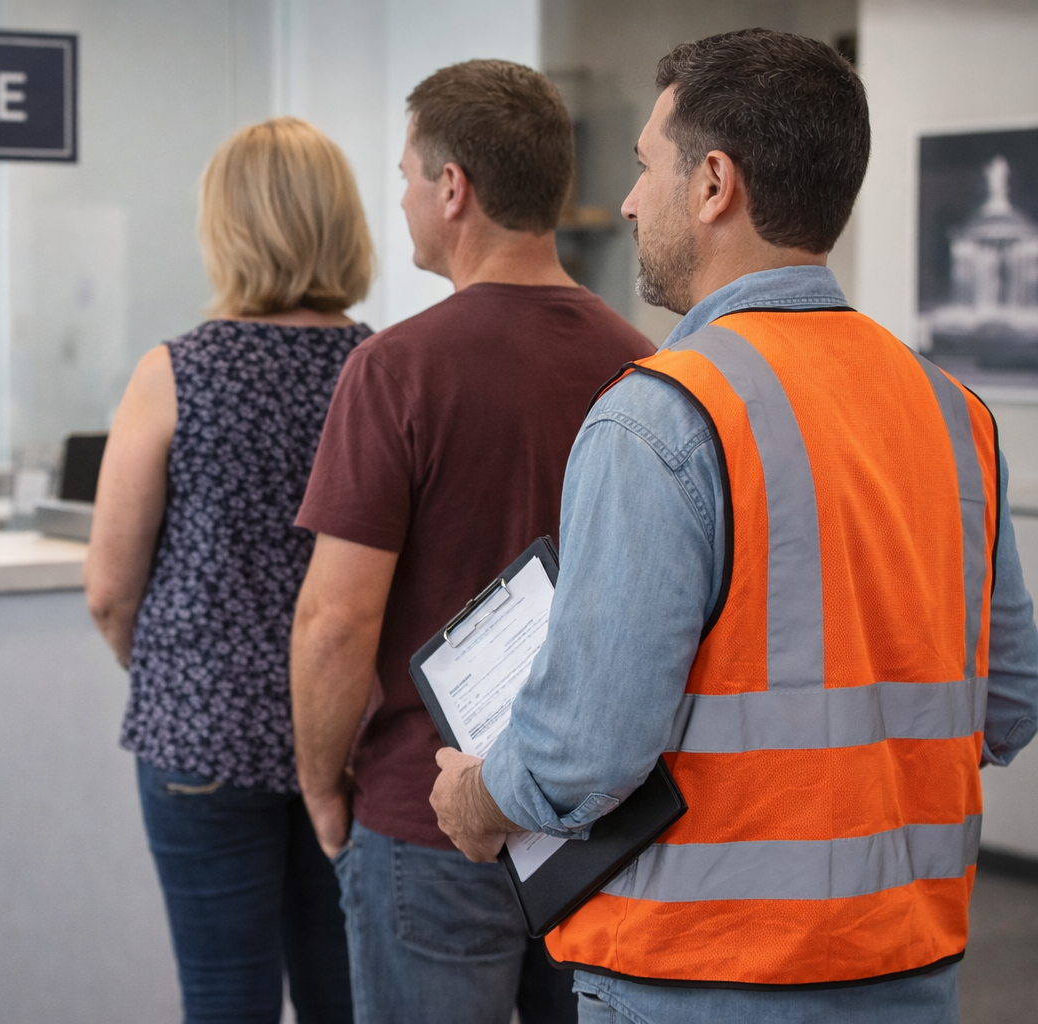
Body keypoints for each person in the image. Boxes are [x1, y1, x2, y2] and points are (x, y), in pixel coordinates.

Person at [430, 29, 1038, 1024]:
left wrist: (479, 796)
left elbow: (586, 747)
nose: (627, 202)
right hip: (908, 972)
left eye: (642, 168)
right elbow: (1006, 700)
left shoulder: (665, 415)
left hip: (698, 979)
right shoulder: (950, 411)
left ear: (713, 184)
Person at [290, 61, 651, 1024]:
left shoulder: (394, 372)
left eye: (408, 173)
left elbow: (334, 622)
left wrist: (321, 784)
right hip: (598, 820)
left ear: (453, 189)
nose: (402, 196)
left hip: (427, 822)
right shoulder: (653, 371)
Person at [84, 116, 374, 1024]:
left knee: (223, 994)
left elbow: (107, 590)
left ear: (227, 228)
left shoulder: (174, 374)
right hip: (356, 730)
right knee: (342, 990)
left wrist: (184, 675)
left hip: (201, 735)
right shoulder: (387, 369)